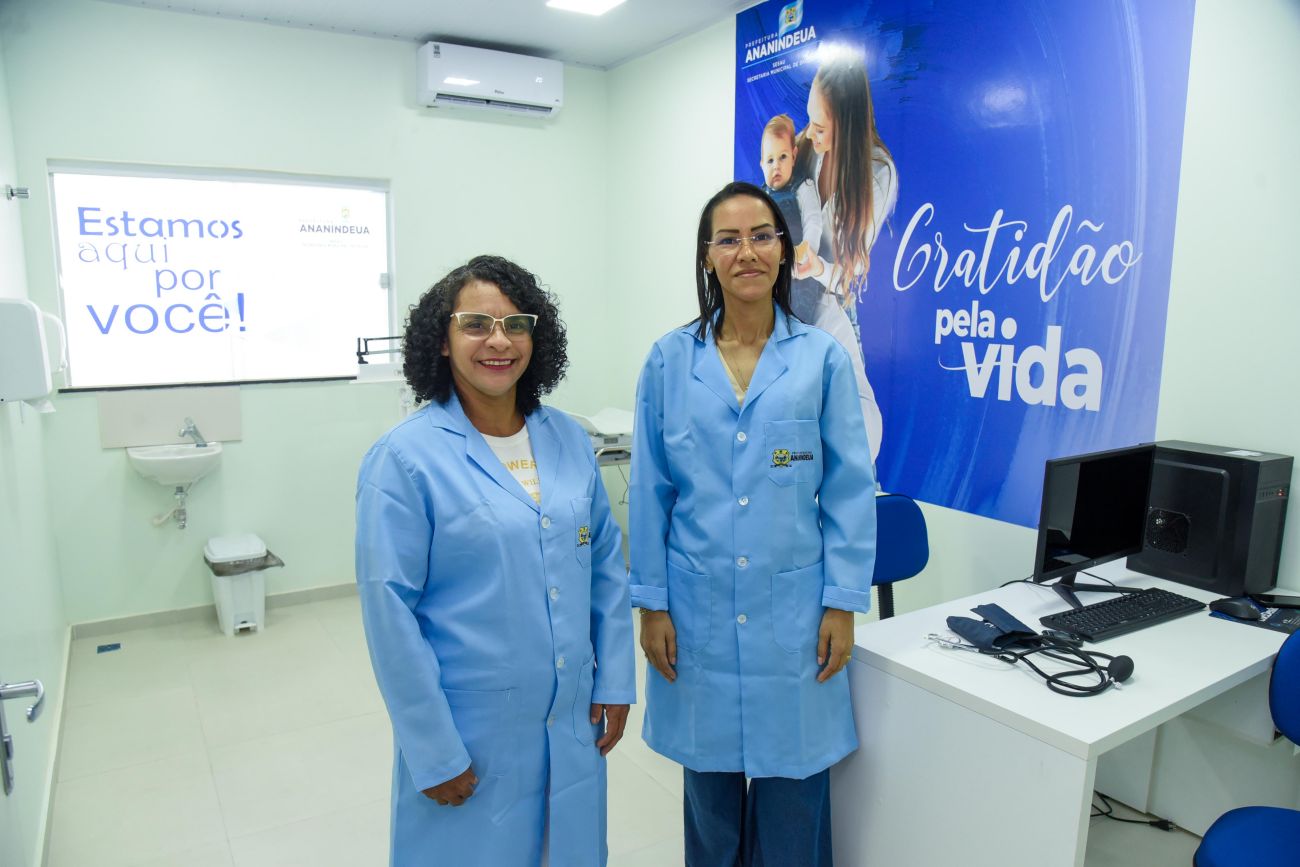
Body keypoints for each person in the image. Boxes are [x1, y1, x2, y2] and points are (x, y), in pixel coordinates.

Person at [355, 255, 635, 866]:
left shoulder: (568, 439)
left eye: (516, 324)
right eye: (476, 324)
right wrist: (432, 750)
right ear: (442, 339)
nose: (499, 341)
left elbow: (606, 567)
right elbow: (389, 614)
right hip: (471, 729)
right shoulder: (404, 459)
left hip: (570, 718)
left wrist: (614, 677)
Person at [630, 182, 878, 866]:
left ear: (784, 250)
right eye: (729, 239)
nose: (747, 252)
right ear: (707, 256)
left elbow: (850, 490)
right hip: (697, 611)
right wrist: (651, 604)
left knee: (796, 796)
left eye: (762, 236)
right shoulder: (669, 361)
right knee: (710, 802)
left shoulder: (820, 359)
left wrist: (842, 602)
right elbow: (649, 492)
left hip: (794, 615)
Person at [792, 49, 899, 462]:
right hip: (794, 303)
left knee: (852, 432)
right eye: (809, 121)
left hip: (832, 301)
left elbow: (847, 277)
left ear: (848, 126)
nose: (810, 135)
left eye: (820, 127)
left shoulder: (876, 175)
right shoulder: (811, 150)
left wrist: (816, 266)